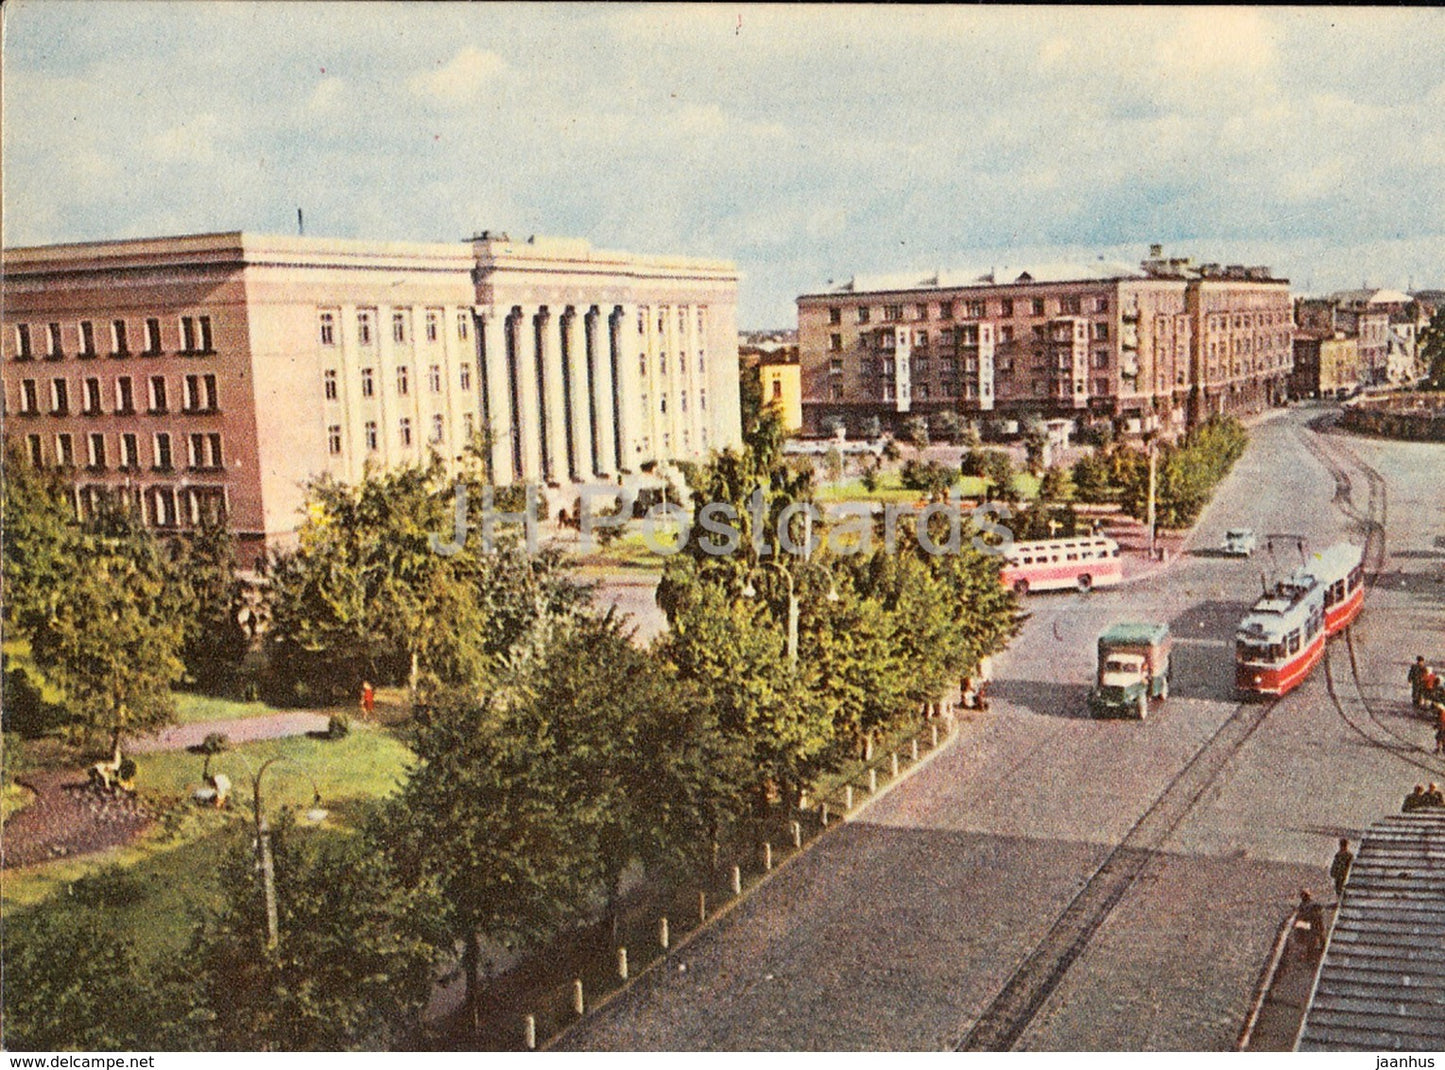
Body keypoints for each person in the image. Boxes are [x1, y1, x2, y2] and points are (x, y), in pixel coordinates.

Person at [1296, 889, 1326, 954]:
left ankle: (1318, 947)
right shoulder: (1304, 905)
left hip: (1312, 922)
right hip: (1311, 923)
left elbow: (1301, 916)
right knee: (1315, 935)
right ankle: (1319, 947)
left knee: (1313, 935)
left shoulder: (1305, 905)